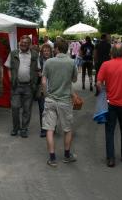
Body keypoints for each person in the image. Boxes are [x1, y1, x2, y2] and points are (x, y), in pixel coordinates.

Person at [97, 43, 122, 167]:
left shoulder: (105, 65)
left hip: (110, 103)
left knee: (109, 131)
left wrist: (105, 92)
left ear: (112, 53)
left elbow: (98, 83)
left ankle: (110, 158)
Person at [41, 39, 78, 167]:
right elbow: (74, 79)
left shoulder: (49, 62)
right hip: (65, 100)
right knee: (67, 129)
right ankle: (67, 156)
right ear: (67, 49)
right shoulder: (72, 62)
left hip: (51, 99)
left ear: (56, 49)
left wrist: (46, 95)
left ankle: (52, 158)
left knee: (49, 129)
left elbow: (44, 81)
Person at [4, 35, 40, 138]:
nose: (23, 44)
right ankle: (16, 128)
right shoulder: (13, 53)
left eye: (26, 43)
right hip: (16, 85)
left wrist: (35, 82)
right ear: (19, 42)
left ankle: (24, 129)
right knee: (15, 107)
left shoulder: (34, 54)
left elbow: (38, 69)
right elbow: (8, 67)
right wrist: (11, 78)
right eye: (22, 42)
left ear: (29, 44)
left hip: (29, 86)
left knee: (27, 109)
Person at [36, 43, 53, 138]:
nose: (46, 52)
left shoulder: (54, 61)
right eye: (44, 51)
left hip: (53, 88)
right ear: (42, 52)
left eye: (48, 51)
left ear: (51, 52)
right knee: (42, 109)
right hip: (42, 88)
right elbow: (36, 72)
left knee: (52, 110)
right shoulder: (39, 61)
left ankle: (51, 128)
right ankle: (43, 129)